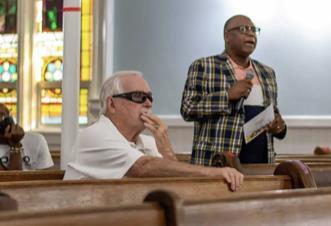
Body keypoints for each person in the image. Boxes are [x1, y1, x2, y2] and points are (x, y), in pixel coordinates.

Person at [64, 71, 243, 191]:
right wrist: (216, 173)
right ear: (112, 104)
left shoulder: (148, 142)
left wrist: (165, 147)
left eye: (150, 97)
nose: (148, 103)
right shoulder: (95, 135)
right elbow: (142, 168)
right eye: (138, 97)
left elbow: (177, 183)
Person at [181, 15, 287, 166]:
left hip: (261, 166)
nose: (251, 34)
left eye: (254, 30)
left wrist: (280, 127)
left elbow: (273, 115)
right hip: (218, 164)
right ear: (227, 36)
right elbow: (188, 108)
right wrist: (227, 96)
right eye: (243, 29)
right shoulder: (205, 66)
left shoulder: (267, 72)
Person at [0, 103, 54, 170]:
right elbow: (12, 179)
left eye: (3, 116)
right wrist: (15, 145)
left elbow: (47, 177)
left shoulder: (37, 141)